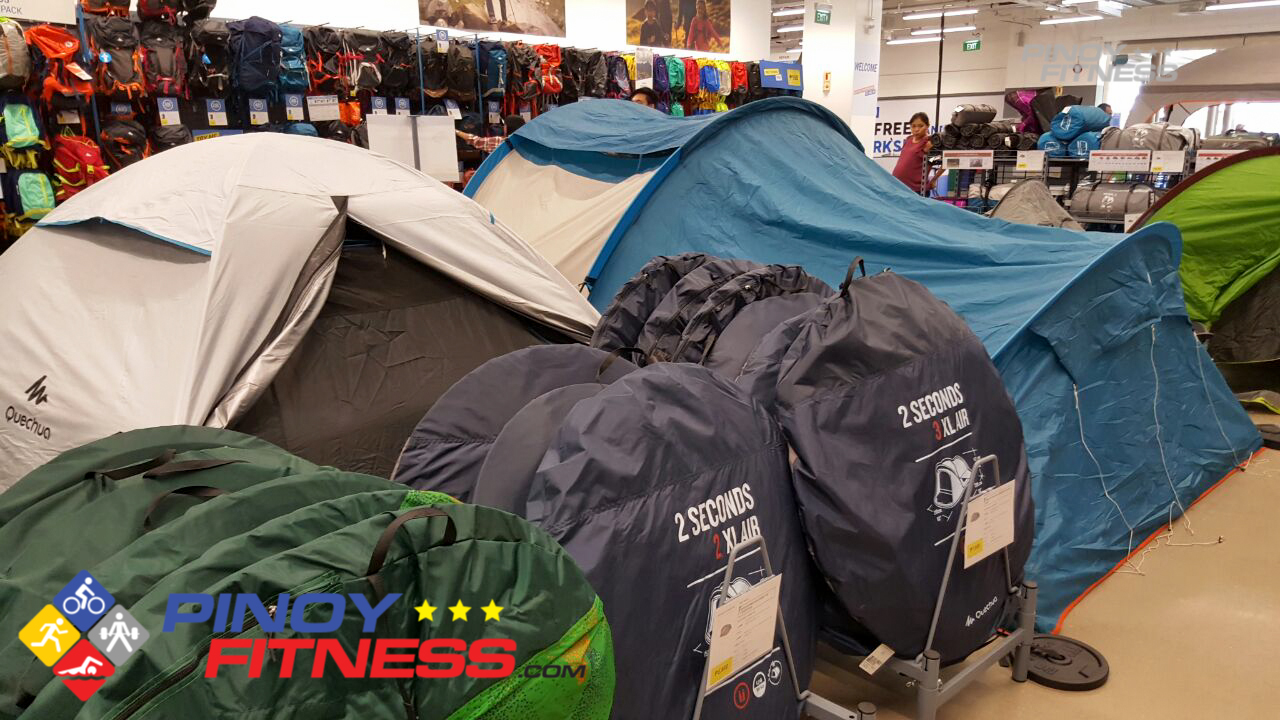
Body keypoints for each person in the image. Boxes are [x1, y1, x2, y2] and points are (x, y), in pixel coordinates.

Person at [892, 112, 934, 194]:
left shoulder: (929, 142)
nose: (916, 129)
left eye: (921, 126)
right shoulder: (908, 139)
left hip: (916, 190)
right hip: (898, 186)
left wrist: (934, 179)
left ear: (927, 126)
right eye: (913, 126)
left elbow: (946, 161)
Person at [455, 114, 526, 154]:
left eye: (505, 125)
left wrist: (456, 131)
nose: (503, 127)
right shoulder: (527, 143)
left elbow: (475, 140)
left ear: (508, 127)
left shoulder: (501, 142)